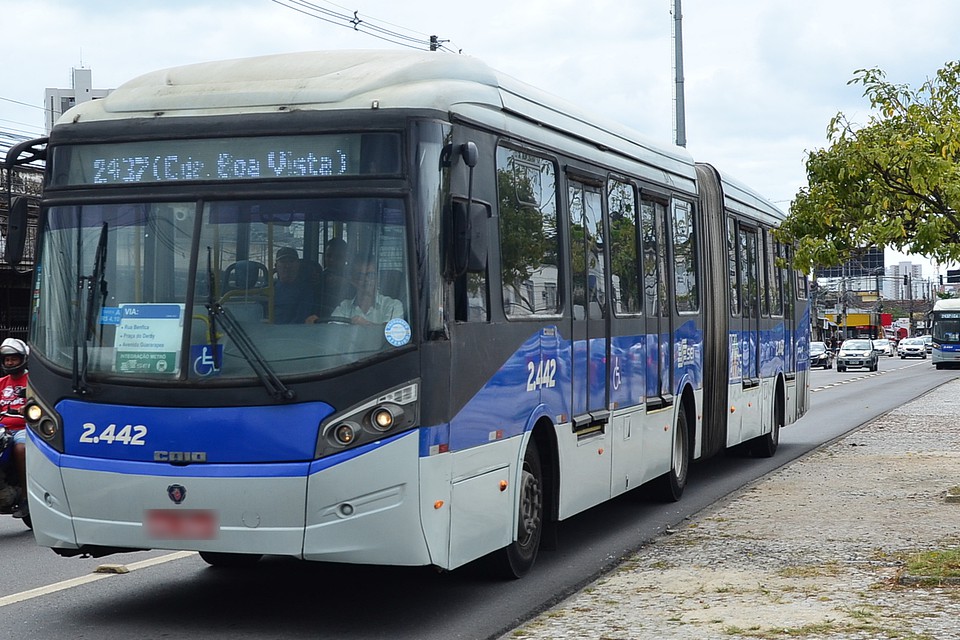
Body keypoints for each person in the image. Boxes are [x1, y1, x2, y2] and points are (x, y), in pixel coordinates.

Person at [0, 338, 29, 519]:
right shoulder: (1, 382)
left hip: (23, 428)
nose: (10, 362)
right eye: (7, 359)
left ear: (22, 359)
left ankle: (26, 496)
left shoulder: (33, 381)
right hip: (2, 428)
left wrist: (25, 409)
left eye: (13, 359)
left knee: (20, 448)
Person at [329, 255, 404, 325]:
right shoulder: (344, 307)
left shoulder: (393, 306)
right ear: (352, 280)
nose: (366, 280)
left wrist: (366, 325)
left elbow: (393, 334)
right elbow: (333, 331)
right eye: (360, 276)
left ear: (377, 278)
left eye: (371, 275)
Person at [272, 247, 318, 324]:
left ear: (298, 265)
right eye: (283, 262)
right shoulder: (268, 289)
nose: (287, 266)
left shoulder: (305, 291)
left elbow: (301, 319)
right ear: (276, 266)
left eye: (291, 261)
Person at [317, 237, 356, 317]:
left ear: (346, 258)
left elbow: (365, 295)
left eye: (338, 257)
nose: (332, 260)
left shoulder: (354, 277)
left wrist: (346, 283)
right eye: (329, 256)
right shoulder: (318, 279)